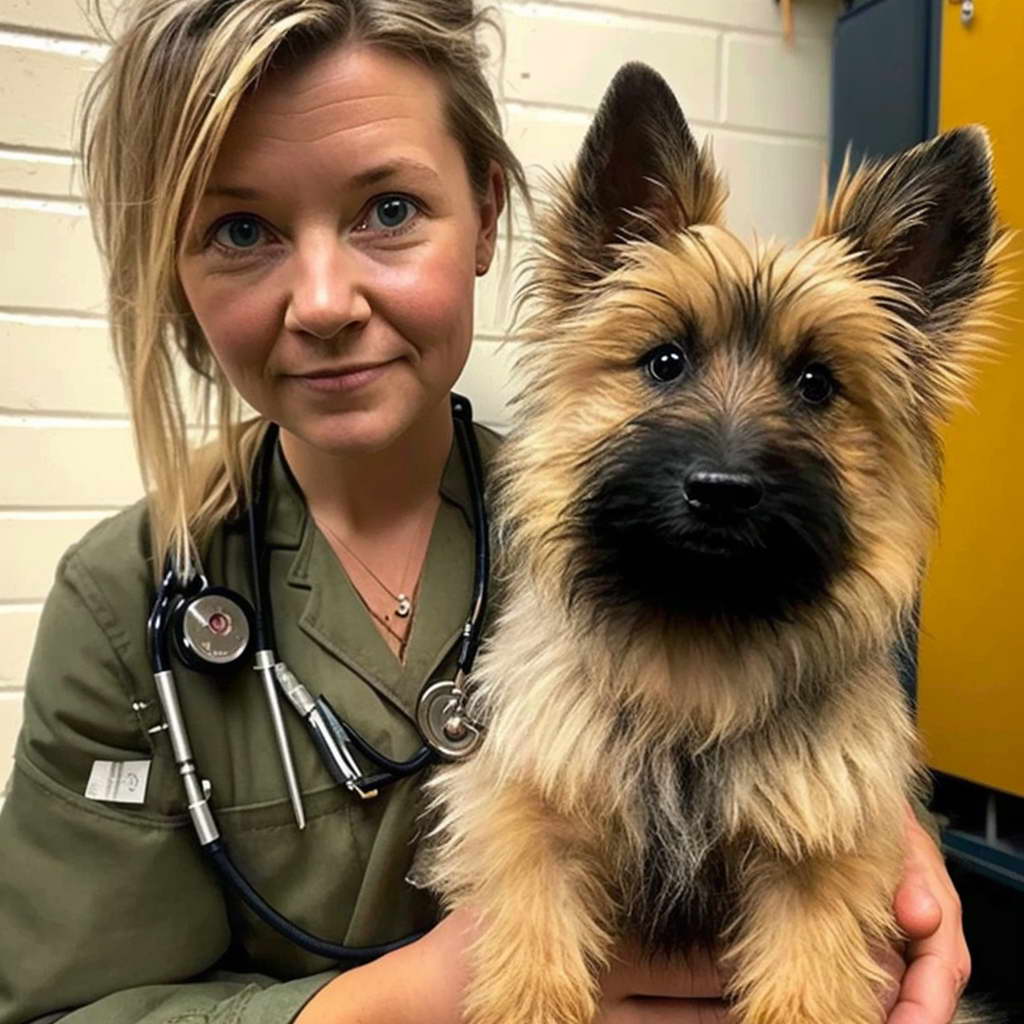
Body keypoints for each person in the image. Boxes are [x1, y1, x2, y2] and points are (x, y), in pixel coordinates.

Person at [0, 2, 971, 1022]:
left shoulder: (617, 547)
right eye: (242, 229)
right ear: (174, 268)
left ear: (489, 214)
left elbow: (819, 764)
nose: (325, 300)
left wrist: (884, 841)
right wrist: (405, 998)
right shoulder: (122, 603)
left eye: (387, 210)